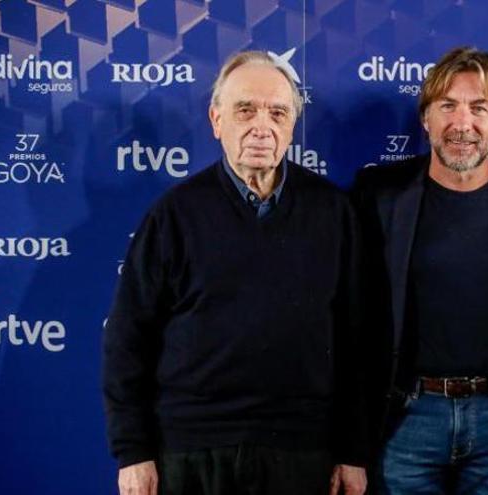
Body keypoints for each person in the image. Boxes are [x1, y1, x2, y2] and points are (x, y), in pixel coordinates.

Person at [102, 51, 367, 495]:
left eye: (278, 112)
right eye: (245, 109)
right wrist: (133, 452)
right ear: (216, 119)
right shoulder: (174, 216)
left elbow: (360, 339)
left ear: (291, 126)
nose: (261, 125)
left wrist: (353, 450)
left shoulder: (334, 212)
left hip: (301, 452)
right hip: (190, 451)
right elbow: (128, 340)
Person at [352, 47, 488, 494]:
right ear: (426, 118)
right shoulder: (377, 198)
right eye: (447, 106)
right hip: (405, 421)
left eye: (478, 108)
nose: (462, 124)